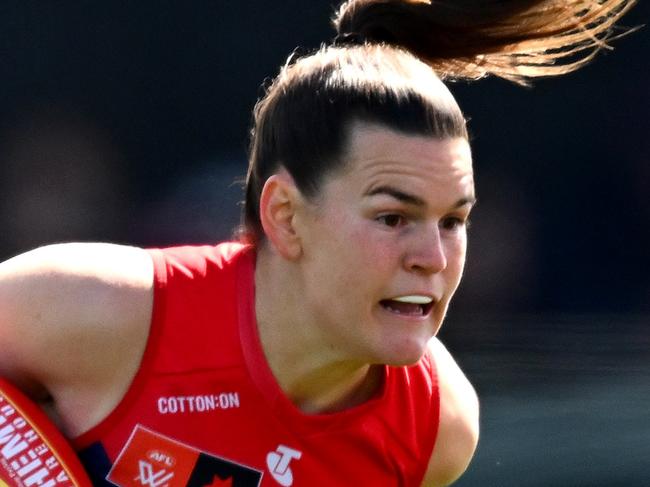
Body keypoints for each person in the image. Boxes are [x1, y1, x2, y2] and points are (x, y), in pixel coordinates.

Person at [0, 1, 635, 486]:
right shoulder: (91, 309)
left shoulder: (435, 429)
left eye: (453, 221)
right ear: (285, 216)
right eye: (392, 218)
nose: (433, 259)